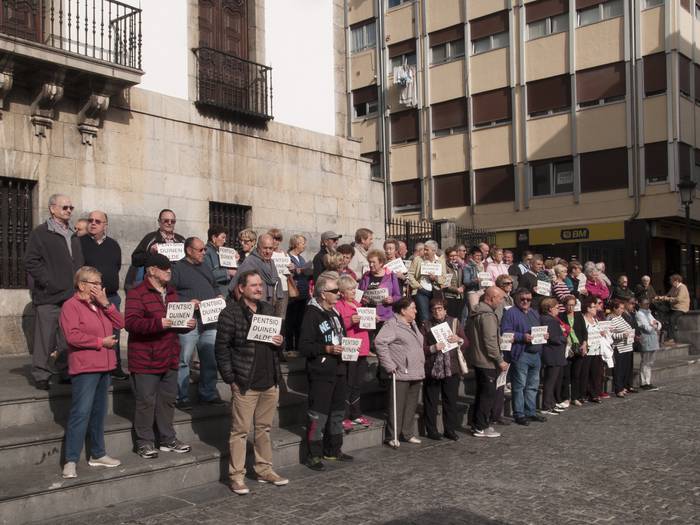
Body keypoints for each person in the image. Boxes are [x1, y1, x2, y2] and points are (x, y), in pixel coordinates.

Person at [214, 270, 288, 495]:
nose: (259, 289)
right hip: (245, 382)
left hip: (269, 380)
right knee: (240, 431)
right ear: (241, 288)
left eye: (261, 285)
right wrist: (231, 379)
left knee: (264, 429)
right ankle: (236, 476)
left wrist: (280, 341)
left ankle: (264, 469)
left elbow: (278, 343)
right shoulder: (230, 313)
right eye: (254, 285)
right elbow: (221, 349)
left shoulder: (268, 309)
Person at [126, 253, 193, 459]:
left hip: (169, 355)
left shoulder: (172, 293)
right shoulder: (137, 293)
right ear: (152, 270)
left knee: (167, 400)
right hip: (145, 358)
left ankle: (167, 438)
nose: (169, 272)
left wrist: (187, 325)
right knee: (146, 401)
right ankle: (144, 442)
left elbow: (175, 324)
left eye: (170, 268)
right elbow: (131, 323)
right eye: (165, 269)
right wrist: (158, 323)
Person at [59, 266, 125, 479]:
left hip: (105, 367)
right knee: (81, 413)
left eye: (100, 283)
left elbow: (121, 323)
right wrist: (100, 342)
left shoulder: (102, 305)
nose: (99, 287)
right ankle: (70, 460)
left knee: (99, 413)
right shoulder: (71, 306)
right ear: (81, 285)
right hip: (85, 367)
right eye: (95, 283)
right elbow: (72, 336)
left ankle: (98, 453)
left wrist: (107, 304)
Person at [24, 193, 85, 390]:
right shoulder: (41, 233)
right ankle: (40, 373)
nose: (68, 211)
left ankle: (64, 370)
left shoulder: (73, 234)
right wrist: (47, 282)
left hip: (71, 295)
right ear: (52, 208)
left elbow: (78, 262)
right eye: (65, 207)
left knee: (68, 337)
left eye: (71, 208)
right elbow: (31, 261)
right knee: (45, 337)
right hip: (49, 295)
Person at [299, 271, 353, 471]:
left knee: (338, 412)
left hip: (339, 368)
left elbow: (343, 336)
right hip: (321, 371)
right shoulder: (311, 314)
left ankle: (333, 449)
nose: (339, 293)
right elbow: (304, 347)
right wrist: (326, 349)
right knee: (318, 414)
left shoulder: (335, 312)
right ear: (323, 294)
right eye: (334, 291)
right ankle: (313, 454)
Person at [171, 237, 225, 410]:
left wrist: (218, 296)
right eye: (200, 250)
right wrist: (188, 302)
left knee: (210, 358)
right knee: (184, 359)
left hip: (209, 321)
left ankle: (208, 394)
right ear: (189, 250)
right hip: (190, 322)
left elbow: (215, 285)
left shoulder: (205, 266)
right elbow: (170, 295)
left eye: (204, 249)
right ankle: (181, 396)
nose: (204, 252)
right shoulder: (177, 268)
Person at [79, 210, 128, 380]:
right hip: (88, 298)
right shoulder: (79, 243)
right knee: (92, 332)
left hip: (110, 296)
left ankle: (115, 366)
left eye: (98, 221)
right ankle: (92, 367)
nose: (93, 223)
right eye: (90, 220)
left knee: (114, 331)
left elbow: (116, 266)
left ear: (105, 225)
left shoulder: (113, 245)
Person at [375, 297, 425, 447]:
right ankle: (393, 435)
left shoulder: (413, 324)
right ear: (403, 310)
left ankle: (407, 433)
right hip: (401, 371)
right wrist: (389, 365)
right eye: (413, 308)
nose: (416, 311)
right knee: (396, 406)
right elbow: (379, 342)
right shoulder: (392, 324)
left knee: (411, 405)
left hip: (416, 370)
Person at [420, 298, 468, 441]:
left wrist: (459, 339)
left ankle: (450, 429)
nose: (437, 311)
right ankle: (432, 430)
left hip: (451, 368)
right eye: (434, 309)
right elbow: (420, 347)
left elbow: (466, 343)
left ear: (445, 310)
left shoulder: (454, 322)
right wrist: (432, 348)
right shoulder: (425, 324)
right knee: (430, 402)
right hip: (432, 368)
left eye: (440, 308)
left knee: (450, 401)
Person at [466, 287, 507, 438]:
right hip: (487, 361)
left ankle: (477, 423)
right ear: (490, 298)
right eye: (500, 298)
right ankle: (481, 426)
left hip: (478, 359)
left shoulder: (477, 312)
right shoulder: (488, 315)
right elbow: (490, 341)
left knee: (482, 393)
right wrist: (499, 360)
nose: (502, 301)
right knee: (487, 395)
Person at [501, 288, 547, 426]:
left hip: (535, 354)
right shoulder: (510, 313)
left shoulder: (534, 313)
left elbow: (539, 330)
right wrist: (522, 336)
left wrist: (544, 336)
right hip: (521, 353)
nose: (526, 302)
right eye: (523, 299)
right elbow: (505, 332)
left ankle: (530, 411)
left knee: (532, 386)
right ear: (517, 299)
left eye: (528, 299)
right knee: (519, 386)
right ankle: (519, 414)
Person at [334, 275, 372, 431]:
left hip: (362, 348)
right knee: (348, 383)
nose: (353, 291)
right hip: (349, 348)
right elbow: (338, 325)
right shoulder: (338, 305)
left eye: (354, 288)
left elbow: (365, 324)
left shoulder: (358, 303)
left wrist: (372, 319)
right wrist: (351, 320)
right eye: (349, 289)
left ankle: (356, 414)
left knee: (358, 383)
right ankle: (343, 415)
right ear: (342, 292)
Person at [126, 209, 185, 290]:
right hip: (156, 286)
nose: (169, 223)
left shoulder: (181, 240)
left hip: (178, 285)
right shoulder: (150, 238)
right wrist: (150, 253)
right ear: (159, 222)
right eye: (166, 220)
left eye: (173, 221)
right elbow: (135, 260)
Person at [232, 234, 284, 316]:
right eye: (265, 248)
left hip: (267, 307)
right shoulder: (250, 261)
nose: (268, 251)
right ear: (258, 247)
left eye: (270, 248)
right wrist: (245, 310)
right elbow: (236, 286)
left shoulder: (271, 262)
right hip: (252, 309)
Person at [539, 298, 569, 416]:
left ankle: (551, 403)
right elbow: (554, 338)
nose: (558, 310)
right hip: (553, 354)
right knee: (550, 382)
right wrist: (564, 338)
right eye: (557, 307)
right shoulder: (550, 320)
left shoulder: (548, 319)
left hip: (553, 354)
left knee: (552, 381)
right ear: (550, 309)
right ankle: (547, 406)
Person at [407, 240, 446, 322]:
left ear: (434, 251)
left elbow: (444, 278)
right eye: (424, 249)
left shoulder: (440, 261)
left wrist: (435, 278)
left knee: (436, 316)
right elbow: (410, 275)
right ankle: (424, 333)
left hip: (435, 291)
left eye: (427, 250)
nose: (424, 251)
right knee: (424, 317)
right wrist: (418, 286)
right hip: (421, 291)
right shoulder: (418, 260)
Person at [358, 249, 402, 324]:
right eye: (369, 262)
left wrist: (392, 299)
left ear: (381, 263)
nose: (371, 265)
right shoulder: (366, 276)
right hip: (368, 316)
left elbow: (398, 296)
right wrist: (363, 299)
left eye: (373, 262)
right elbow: (359, 294)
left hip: (385, 317)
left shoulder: (391, 276)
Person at [559, 295, 587, 408]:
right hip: (567, 348)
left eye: (573, 305)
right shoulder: (561, 316)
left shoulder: (579, 316)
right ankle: (565, 397)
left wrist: (584, 343)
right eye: (569, 305)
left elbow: (584, 331)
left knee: (576, 374)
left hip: (578, 347)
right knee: (566, 375)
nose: (571, 307)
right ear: (565, 305)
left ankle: (575, 397)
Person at [286, 234, 311, 352]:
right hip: (293, 294)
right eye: (302, 243)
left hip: (303, 293)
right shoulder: (287, 256)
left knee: (300, 321)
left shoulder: (301, 258)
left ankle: (298, 346)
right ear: (296, 244)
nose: (304, 246)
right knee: (291, 321)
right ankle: (290, 346)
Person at [607, 299, 635, 398]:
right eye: (621, 308)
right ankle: (618, 389)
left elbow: (627, 327)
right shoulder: (610, 318)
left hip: (627, 346)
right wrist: (622, 335)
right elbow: (610, 334)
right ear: (614, 308)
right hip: (619, 347)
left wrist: (630, 333)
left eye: (623, 308)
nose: (622, 310)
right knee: (618, 370)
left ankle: (623, 386)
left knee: (625, 369)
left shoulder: (620, 317)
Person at [580, 295, 604, 404]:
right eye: (593, 307)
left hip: (597, 350)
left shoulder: (596, 320)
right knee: (585, 374)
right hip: (587, 351)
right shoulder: (583, 320)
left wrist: (602, 333)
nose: (596, 309)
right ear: (588, 308)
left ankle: (594, 394)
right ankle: (583, 394)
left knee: (596, 374)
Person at [203, 225, 237, 297]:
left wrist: (235, 260)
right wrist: (228, 272)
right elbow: (208, 274)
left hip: (226, 291)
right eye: (223, 237)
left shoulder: (221, 251)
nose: (225, 241)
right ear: (214, 238)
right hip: (216, 293)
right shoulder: (206, 252)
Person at [636, 297, 661, 391]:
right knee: (645, 361)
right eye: (645, 303)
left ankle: (648, 381)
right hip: (646, 339)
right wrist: (653, 325)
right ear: (641, 304)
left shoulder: (649, 313)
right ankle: (643, 382)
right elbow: (646, 327)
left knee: (650, 362)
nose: (647, 305)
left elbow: (658, 324)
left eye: (648, 303)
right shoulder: (640, 314)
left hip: (653, 339)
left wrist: (655, 325)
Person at [656, 274, 690, 342]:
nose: (670, 282)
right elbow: (668, 295)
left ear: (676, 281)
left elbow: (679, 299)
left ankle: (671, 338)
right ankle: (664, 335)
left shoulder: (682, 287)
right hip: (673, 307)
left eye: (671, 281)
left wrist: (666, 298)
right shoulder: (674, 287)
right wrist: (660, 298)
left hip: (681, 308)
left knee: (672, 319)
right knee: (662, 314)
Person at [443, 246, 465, 319]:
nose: (454, 257)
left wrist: (462, 287)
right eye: (451, 256)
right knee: (451, 317)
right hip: (450, 296)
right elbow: (445, 284)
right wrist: (456, 289)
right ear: (447, 256)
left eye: (455, 255)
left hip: (460, 297)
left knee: (459, 318)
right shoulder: (445, 267)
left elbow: (463, 280)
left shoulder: (459, 266)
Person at [462, 246, 485, 314]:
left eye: (480, 255)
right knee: (474, 312)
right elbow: (466, 281)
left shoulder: (482, 266)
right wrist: (475, 281)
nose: (479, 257)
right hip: (472, 292)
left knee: (482, 311)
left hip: (482, 291)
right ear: (472, 256)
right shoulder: (467, 267)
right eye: (477, 255)